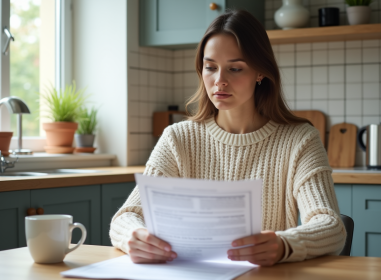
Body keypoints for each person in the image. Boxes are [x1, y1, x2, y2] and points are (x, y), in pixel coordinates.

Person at [110, 10, 346, 267]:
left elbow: (331, 226)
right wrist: (134, 237)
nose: (219, 81)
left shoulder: (300, 140)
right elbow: (126, 217)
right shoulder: (177, 138)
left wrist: (285, 245)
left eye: (234, 68)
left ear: (260, 73)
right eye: (210, 67)